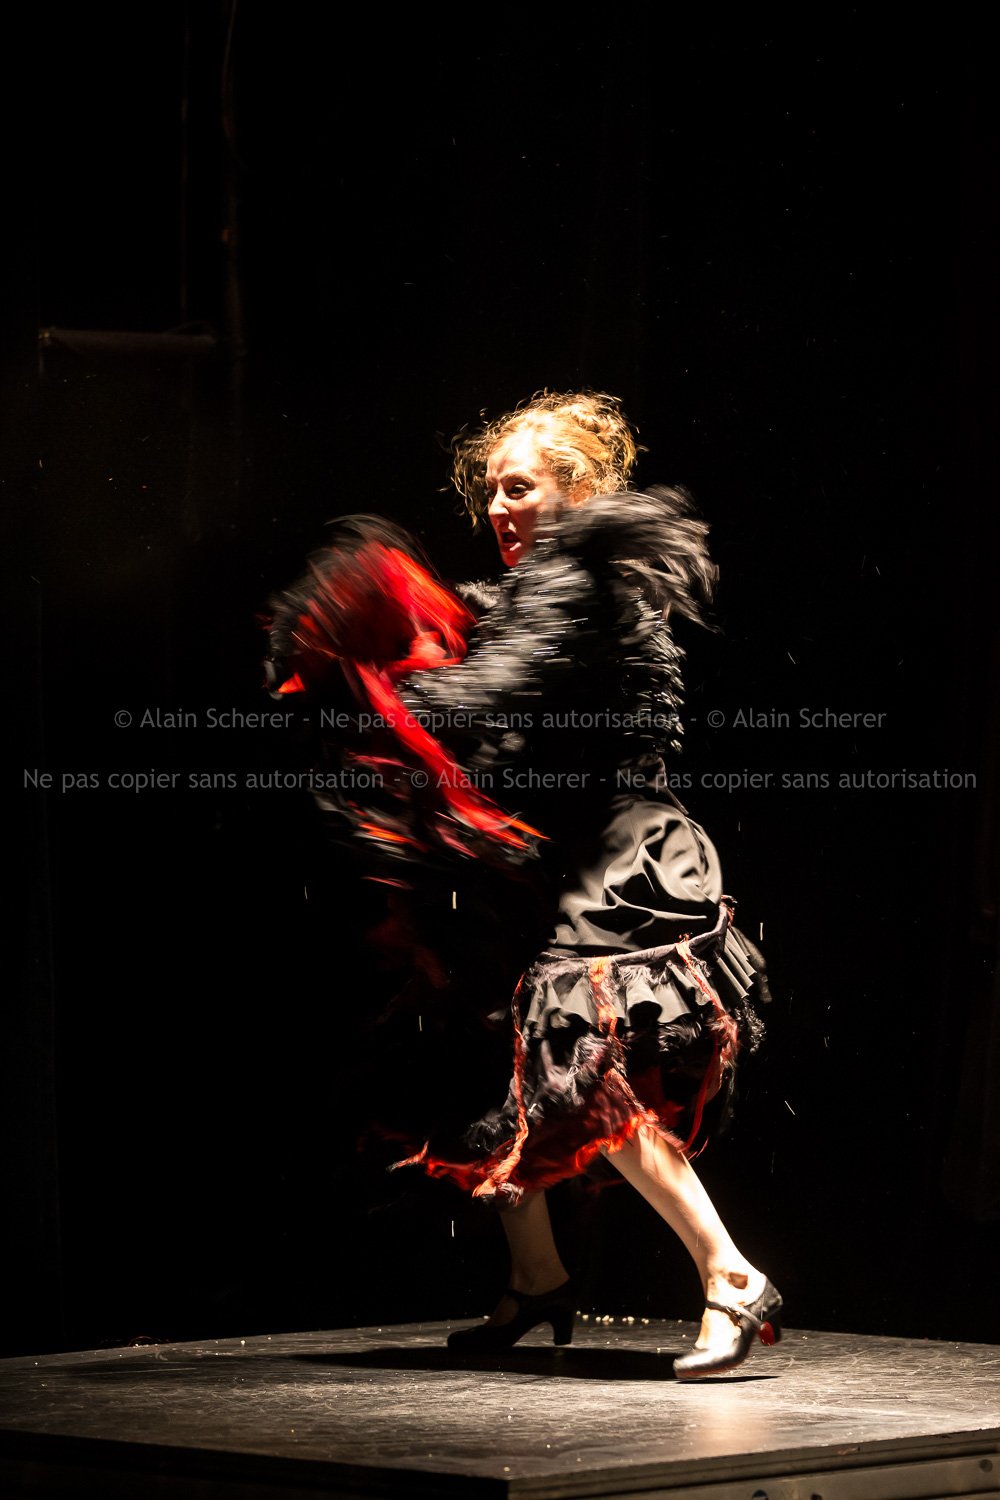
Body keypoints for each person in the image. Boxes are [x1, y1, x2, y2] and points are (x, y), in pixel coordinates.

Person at [266, 391, 781, 1380]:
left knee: (577, 1065)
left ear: (575, 492)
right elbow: (469, 636)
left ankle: (731, 1274)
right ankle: (537, 1277)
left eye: (519, 488)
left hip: (624, 859)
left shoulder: (580, 578)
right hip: (560, 857)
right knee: (484, 1053)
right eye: (491, 493)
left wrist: (378, 684)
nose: (498, 509)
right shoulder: (530, 591)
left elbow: (484, 693)